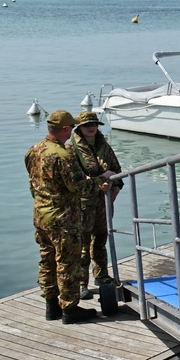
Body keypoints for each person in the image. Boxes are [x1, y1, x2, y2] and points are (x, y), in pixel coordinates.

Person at [25, 110, 111, 324]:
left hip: (41, 215)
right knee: (67, 263)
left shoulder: (33, 150)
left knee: (47, 260)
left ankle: (51, 306)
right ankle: (70, 309)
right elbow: (80, 187)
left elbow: (32, 185)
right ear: (65, 129)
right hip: (63, 219)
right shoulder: (63, 155)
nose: (73, 130)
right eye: (71, 127)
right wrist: (101, 179)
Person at [68, 111, 123, 299]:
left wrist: (114, 188)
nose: (91, 127)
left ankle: (101, 276)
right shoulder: (71, 149)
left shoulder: (103, 145)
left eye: (94, 124)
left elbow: (117, 170)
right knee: (82, 243)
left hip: (103, 202)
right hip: (82, 203)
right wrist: (98, 181)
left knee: (100, 240)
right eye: (86, 125)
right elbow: (73, 179)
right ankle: (82, 283)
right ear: (79, 128)